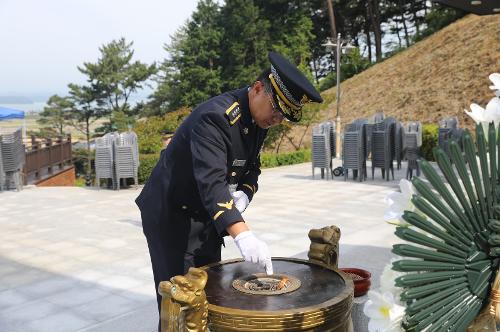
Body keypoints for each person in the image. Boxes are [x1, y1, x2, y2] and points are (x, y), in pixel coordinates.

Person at [135, 52, 323, 325]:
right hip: (173, 214)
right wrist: (243, 235)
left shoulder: (257, 120)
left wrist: (245, 192)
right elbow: (211, 183)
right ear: (258, 88)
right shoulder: (215, 118)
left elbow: (252, 167)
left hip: (208, 214)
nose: (277, 119)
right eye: (276, 109)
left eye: (285, 116)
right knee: (181, 300)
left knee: (210, 290)